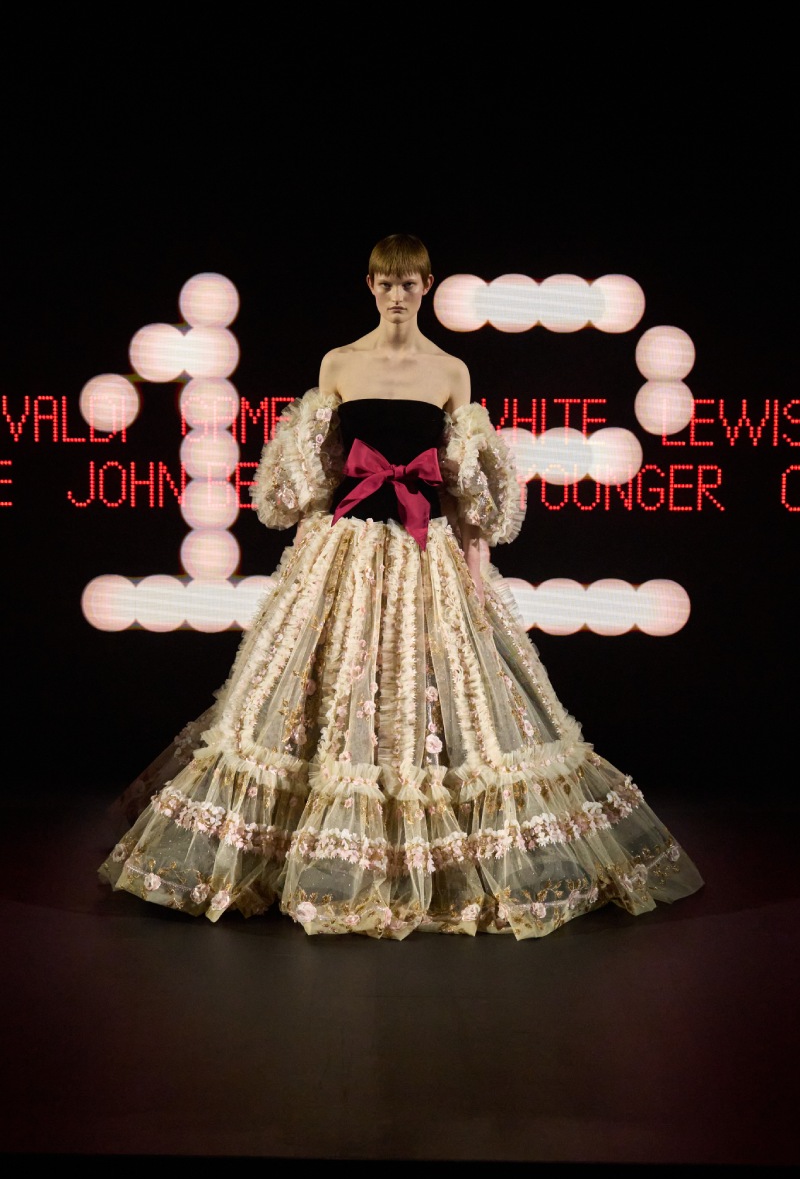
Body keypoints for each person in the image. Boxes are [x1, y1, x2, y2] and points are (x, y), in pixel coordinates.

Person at [98, 233, 704, 939]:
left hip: (424, 549)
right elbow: (316, 470)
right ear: (370, 287)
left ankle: (434, 864)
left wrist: (476, 571)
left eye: (409, 283)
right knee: (329, 693)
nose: (396, 295)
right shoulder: (338, 363)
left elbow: (465, 482)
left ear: (425, 287)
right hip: (348, 547)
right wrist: (307, 553)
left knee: (441, 700)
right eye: (386, 284)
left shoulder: (450, 371)